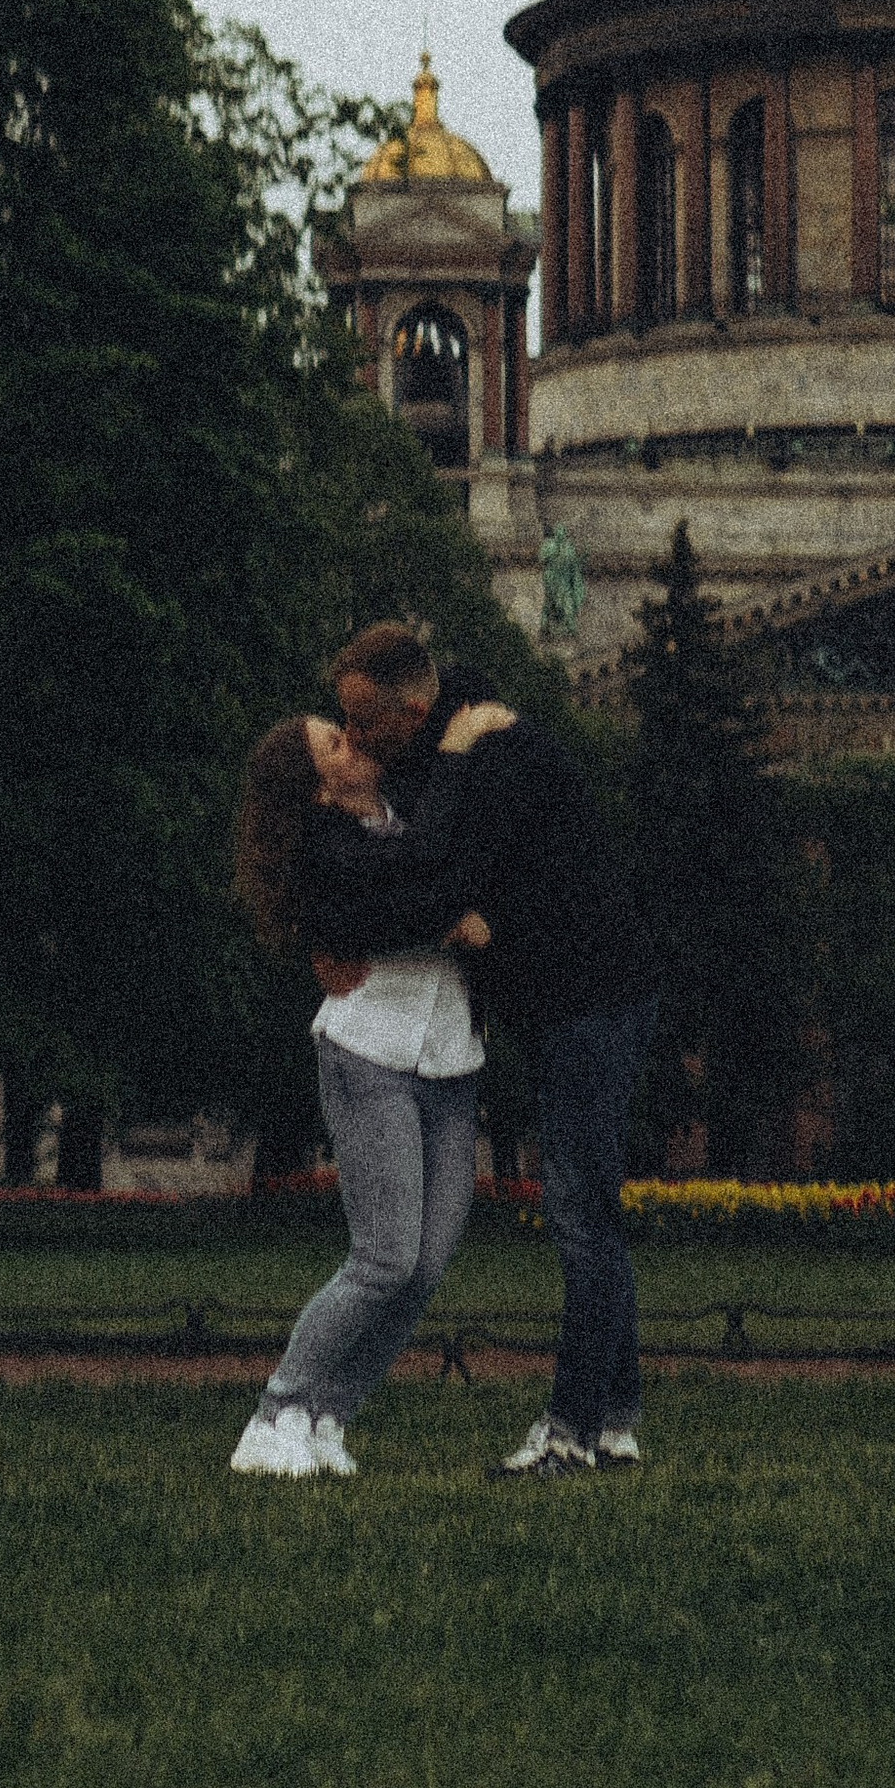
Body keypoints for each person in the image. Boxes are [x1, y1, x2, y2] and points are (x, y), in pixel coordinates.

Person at [320, 623, 658, 1478]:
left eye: (365, 722)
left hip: (588, 1002)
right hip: (579, 1000)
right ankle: (614, 1422)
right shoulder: (452, 747)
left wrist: (407, 922)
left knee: (582, 1219)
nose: (355, 739)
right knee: (592, 1218)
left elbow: (440, 871)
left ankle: (571, 1433)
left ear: (417, 708)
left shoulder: (488, 756)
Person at [227, 697, 511, 1477]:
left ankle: (327, 1417)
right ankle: (275, 1411)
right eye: (333, 742)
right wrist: (450, 917)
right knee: (384, 1257)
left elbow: (444, 869)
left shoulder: (409, 812)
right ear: (319, 786)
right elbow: (413, 886)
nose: (352, 740)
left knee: (424, 1268)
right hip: (369, 1049)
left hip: (451, 1057)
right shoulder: (329, 843)